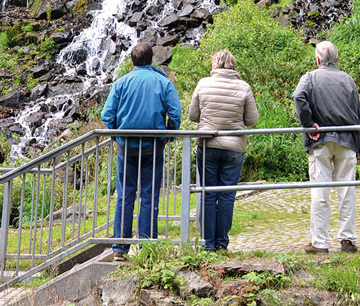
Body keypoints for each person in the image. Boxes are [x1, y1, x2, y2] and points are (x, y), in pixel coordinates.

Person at [101, 41, 181, 261]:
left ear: (132, 60)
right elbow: (175, 114)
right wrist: (168, 137)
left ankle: (120, 248)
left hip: (126, 148)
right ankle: (147, 248)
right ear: (152, 59)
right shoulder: (163, 82)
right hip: (153, 147)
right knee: (149, 196)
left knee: (125, 196)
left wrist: (116, 136)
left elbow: (107, 115)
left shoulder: (121, 83)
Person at [292, 40, 360, 254]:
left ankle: (319, 242)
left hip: (321, 140)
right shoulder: (348, 80)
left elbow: (298, 97)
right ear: (337, 59)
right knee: (347, 190)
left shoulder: (310, 78)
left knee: (320, 191)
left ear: (317, 59)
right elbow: (358, 115)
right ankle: (347, 239)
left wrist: (308, 124)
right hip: (347, 140)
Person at [189, 49, 259, 251]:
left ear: (215, 65)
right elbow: (252, 120)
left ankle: (208, 243)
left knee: (208, 194)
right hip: (234, 147)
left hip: (208, 144)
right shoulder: (243, 87)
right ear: (233, 65)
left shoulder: (203, 84)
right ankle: (222, 243)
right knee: (227, 195)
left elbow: (193, 115)